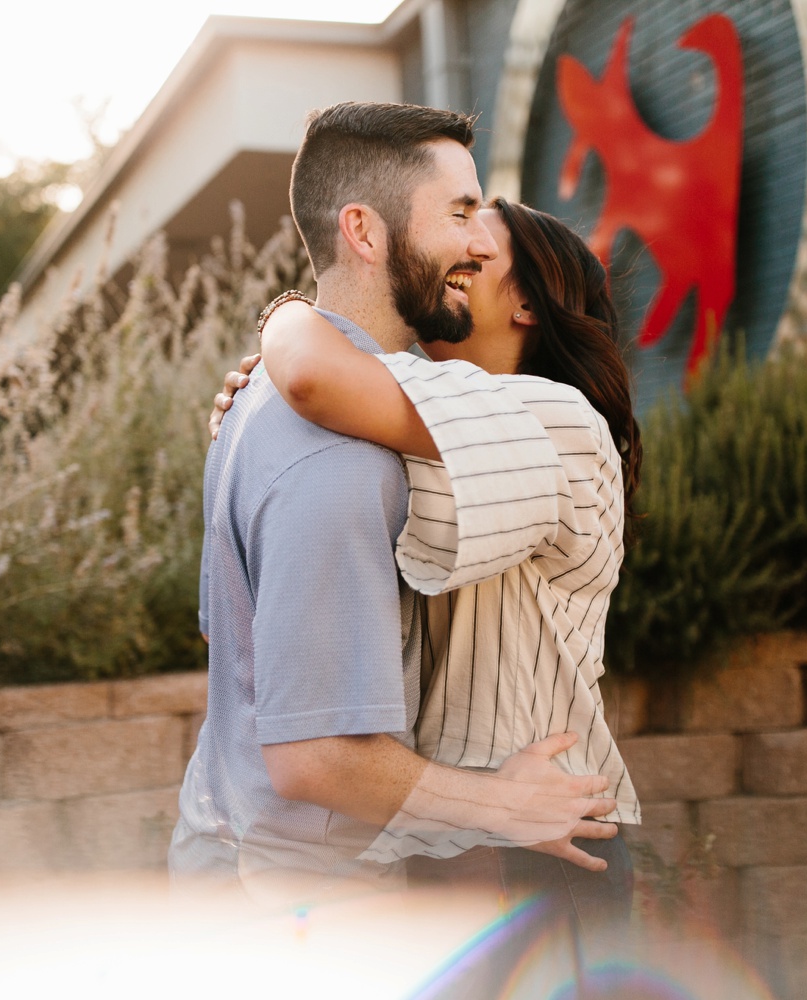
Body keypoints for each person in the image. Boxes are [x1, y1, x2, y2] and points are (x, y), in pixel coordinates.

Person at [167, 102, 617, 902]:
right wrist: (496, 805)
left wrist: (287, 320)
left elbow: (228, 635)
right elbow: (316, 753)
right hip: (298, 898)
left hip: (524, 845)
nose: (476, 242)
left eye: (485, 223)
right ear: (366, 233)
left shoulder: (316, 403)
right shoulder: (346, 446)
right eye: (459, 212)